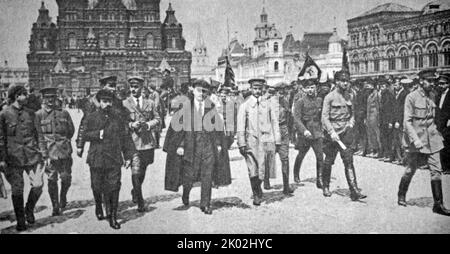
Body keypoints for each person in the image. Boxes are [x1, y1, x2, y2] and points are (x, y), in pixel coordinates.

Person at [164, 79, 231, 215]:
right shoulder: (185, 107)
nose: (201, 94)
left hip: (207, 146)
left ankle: (205, 204)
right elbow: (177, 129)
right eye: (199, 90)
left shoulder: (210, 107)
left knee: (208, 174)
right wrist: (180, 145)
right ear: (193, 91)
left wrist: (218, 144)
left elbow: (217, 127)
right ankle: (186, 193)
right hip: (190, 146)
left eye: (204, 91)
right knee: (189, 175)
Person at [397, 69, 450, 216]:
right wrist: (415, 140)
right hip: (417, 140)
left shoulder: (433, 95)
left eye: (434, 81)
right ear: (421, 81)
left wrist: (439, 132)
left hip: (432, 139)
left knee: (436, 171)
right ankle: (401, 194)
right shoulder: (411, 97)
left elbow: (437, 116)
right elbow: (407, 122)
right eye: (429, 81)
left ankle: (438, 204)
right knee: (410, 169)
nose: (433, 83)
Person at [83, 89, 137, 229]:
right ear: (99, 102)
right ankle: (98, 206)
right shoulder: (92, 117)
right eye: (104, 101)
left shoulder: (118, 118)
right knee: (96, 186)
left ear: (112, 102)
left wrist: (128, 156)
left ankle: (113, 217)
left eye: (109, 101)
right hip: (97, 157)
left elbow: (125, 137)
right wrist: (98, 134)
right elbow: (85, 135)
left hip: (113, 157)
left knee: (114, 187)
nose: (107, 104)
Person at [0, 85, 45, 231]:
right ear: (16, 96)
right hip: (14, 158)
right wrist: (2, 158)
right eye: (24, 94)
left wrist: (43, 152)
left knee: (38, 185)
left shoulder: (31, 114)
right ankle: (21, 220)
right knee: (17, 190)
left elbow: (39, 134)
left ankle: (29, 209)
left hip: (31, 155)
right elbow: (1, 138)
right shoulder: (4, 114)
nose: (26, 96)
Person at [322, 70, 367, 201]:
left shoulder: (350, 96)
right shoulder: (329, 97)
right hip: (332, 134)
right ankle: (325, 186)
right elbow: (324, 117)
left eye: (347, 81)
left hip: (346, 132)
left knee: (348, 160)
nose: (346, 83)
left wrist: (351, 122)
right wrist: (331, 132)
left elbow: (352, 112)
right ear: (337, 82)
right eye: (343, 81)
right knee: (329, 161)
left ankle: (354, 190)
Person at [237, 78, 281, 206]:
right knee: (253, 169)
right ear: (250, 89)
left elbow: (274, 122)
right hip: (251, 142)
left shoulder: (268, 105)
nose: (257, 91)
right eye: (254, 89)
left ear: (263, 90)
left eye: (259, 89)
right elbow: (240, 126)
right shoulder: (244, 106)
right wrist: (241, 143)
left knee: (264, 169)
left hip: (267, 140)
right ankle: (256, 193)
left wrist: (277, 139)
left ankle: (259, 186)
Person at [123, 76, 161, 212]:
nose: (133, 89)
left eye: (136, 87)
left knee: (143, 170)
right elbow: (121, 122)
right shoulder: (125, 104)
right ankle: (140, 200)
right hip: (132, 142)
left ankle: (135, 191)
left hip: (147, 142)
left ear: (142, 88)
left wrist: (148, 125)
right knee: (136, 170)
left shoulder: (150, 103)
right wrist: (131, 124)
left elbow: (157, 119)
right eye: (131, 87)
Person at [35, 87, 75, 216]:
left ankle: (63, 196)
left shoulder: (64, 113)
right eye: (47, 98)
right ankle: (55, 205)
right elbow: (38, 135)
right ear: (43, 99)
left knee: (66, 178)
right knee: (52, 179)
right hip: (49, 152)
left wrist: (65, 143)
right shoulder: (38, 115)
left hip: (64, 151)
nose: (50, 100)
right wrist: (43, 153)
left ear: (56, 98)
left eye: (52, 97)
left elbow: (71, 130)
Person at [292, 79, 324, 189]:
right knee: (301, 154)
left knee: (320, 156)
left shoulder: (319, 100)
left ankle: (320, 179)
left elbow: (322, 116)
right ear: (304, 89)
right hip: (305, 133)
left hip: (317, 132)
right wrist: (304, 130)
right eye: (308, 88)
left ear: (316, 88)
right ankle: (296, 174)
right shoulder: (300, 101)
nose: (310, 90)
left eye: (312, 87)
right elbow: (296, 118)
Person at [271, 82, 295, 195]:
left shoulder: (285, 102)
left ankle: (286, 186)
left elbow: (289, 116)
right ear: (275, 92)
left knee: (285, 159)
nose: (281, 94)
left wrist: (289, 132)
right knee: (269, 158)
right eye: (279, 92)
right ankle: (266, 181)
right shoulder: (269, 103)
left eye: (283, 91)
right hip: (272, 132)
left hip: (283, 130)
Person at [392, 78, 410, 165]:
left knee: (402, 140)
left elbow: (402, 109)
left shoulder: (404, 94)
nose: (395, 87)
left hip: (400, 121)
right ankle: (400, 159)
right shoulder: (397, 93)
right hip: (396, 120)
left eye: (396, 85)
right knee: (397, 140)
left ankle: (404, 159)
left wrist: (398, 121)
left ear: (400, 85)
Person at [436, 73, 450, 173]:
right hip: (441, 122)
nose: (441, 85)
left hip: (448, 122)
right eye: (440, 84)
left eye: (443, 84)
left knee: (448, 144)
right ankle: (443, 166)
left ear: (448, 84)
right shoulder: (440, 94)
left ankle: (448, 167)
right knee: (442, 143)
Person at [379, 78, 395, 162]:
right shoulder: (383, 95)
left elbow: (391, 110)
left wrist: (390, 122)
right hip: (383, 121)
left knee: (389, 139)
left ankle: (390, 156)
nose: (381, 88)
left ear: (387, 87)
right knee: (384, 139)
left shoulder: (389, 95)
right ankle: (386, 155)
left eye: (383, 86)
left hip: (388, 121)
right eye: (381, 86)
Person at [365, 79, 382, 158]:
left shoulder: (377, 95)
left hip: (375, 116)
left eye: (369, 85)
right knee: (371, 134)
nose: (368, 87)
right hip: (369, 116)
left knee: (377, 134)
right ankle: (374, 150)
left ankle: (379, 151)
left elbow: (379, 107)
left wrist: (378, 118)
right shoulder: (370, 95)